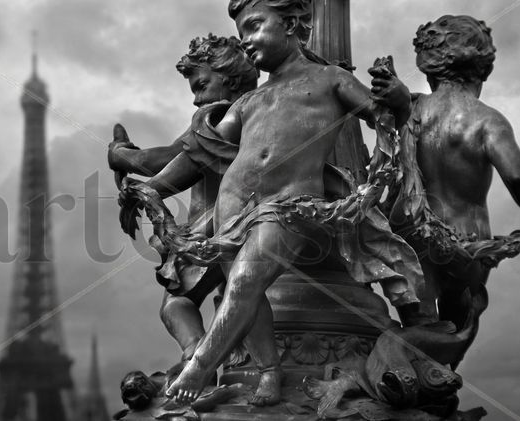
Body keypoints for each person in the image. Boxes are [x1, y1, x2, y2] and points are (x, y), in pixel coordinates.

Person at [160, 0, 420, 405]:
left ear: (293, 24)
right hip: (232, 211)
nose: (245, 40)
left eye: (254, 26)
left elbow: (380, 113)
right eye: (242, 31)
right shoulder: (249, 101)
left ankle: (201, 365)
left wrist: (400, 101)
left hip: (291, 206)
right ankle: (269, 369)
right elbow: (198, 154)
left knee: (245, 281)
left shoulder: (330, 79)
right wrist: (154, 188)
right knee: (243, 289)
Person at [109, 34, 258, 366]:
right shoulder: (258, 116)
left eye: (201, 85)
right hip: (243, 225)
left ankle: (196, 357)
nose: (196, 100)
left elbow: (161, 160)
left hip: (214, 232)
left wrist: (121, 155)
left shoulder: (218, 118)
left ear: (229, 76)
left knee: (175, 304)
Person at [389, 15, 520, 367]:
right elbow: (517, 178)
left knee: (423, 325)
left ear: (429, 68)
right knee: (460, 323)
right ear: (483, 68)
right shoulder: (487, 120)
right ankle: (439, 390)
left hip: (414, 239)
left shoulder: (412, 111)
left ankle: (418, 379)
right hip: (468, 245)